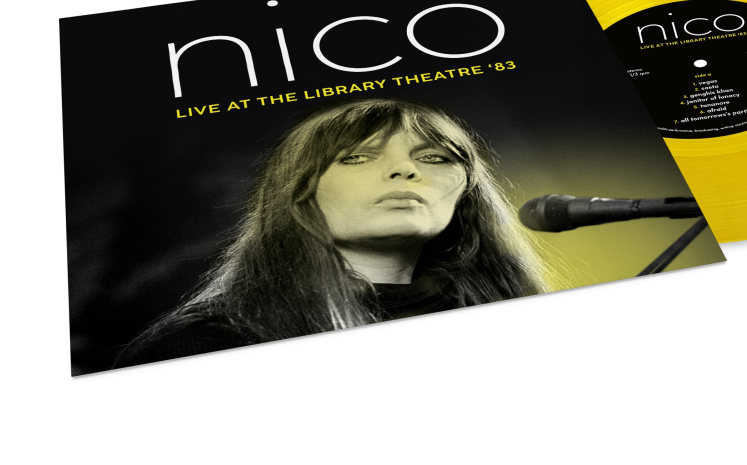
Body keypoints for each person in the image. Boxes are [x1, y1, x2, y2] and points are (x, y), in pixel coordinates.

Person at [114, 98, 547, 366]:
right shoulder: (207, 343)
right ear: (298, 190)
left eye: (435, 158)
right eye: (357, 157)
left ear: (467, 194)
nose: (405, 169)